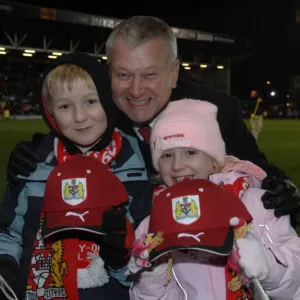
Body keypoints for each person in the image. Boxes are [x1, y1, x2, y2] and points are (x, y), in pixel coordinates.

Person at [6, 16, 300, 225]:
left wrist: (287, 190)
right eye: (123, 75)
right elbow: (61, 141)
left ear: (173, 74)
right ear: (109, 74)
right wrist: (29, 153)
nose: (135, 91)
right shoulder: (97, 115)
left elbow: (261, 171)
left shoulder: (215, 111)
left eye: (149, 75)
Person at [0, 53, 153, 300]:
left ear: (107, 100)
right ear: (50, 114)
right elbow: (8, 230)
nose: (80, 117)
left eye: (91, 102)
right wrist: (6, 268)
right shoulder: (32, 166)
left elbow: (152, 265)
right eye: (65, 106)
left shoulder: (138, 168)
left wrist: (121, 258)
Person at [127, 99, 300, 300]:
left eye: (190, 152)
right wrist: (151, 276)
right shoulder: (154, 223)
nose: (177, 166)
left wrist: (268, 268)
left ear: (214, 159)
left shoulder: (258, 205)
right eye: (166, 156)